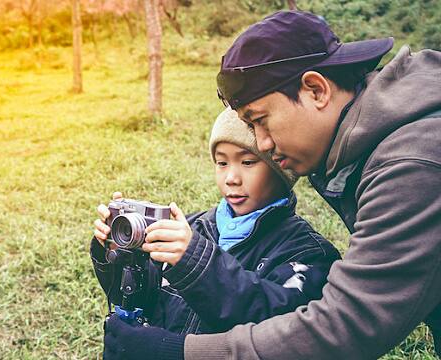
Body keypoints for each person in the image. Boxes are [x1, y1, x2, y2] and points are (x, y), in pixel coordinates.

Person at [103, 10, 441, 360]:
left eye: (260, 121)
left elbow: (347, 326)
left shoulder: (414, 161)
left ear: (315, 89)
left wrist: (179, 353)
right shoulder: (378, 143)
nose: (262, 144)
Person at [93, 108, 340, 358]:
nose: (231, 178)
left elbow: (274, 328)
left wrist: (194, 260)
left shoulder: (309, 254)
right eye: (222, 162)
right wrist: (119, 255)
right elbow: (140, 297)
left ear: (281, 167)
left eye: (247, 162)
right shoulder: (193, 227)